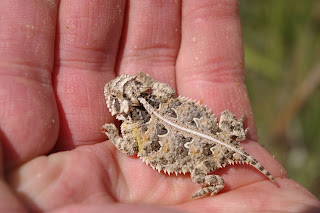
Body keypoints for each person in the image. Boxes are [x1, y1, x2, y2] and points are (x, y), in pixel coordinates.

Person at [0, 1, 319, 212]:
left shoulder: (135, 129)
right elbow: (164, 93)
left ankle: (215, 182)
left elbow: (129, 149)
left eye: (120, 88)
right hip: (212, 134)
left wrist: (114, 135)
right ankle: (233, 131)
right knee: (226, 122)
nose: (112, 90)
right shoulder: (158, 101)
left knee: (202, 170)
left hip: (204, 153)